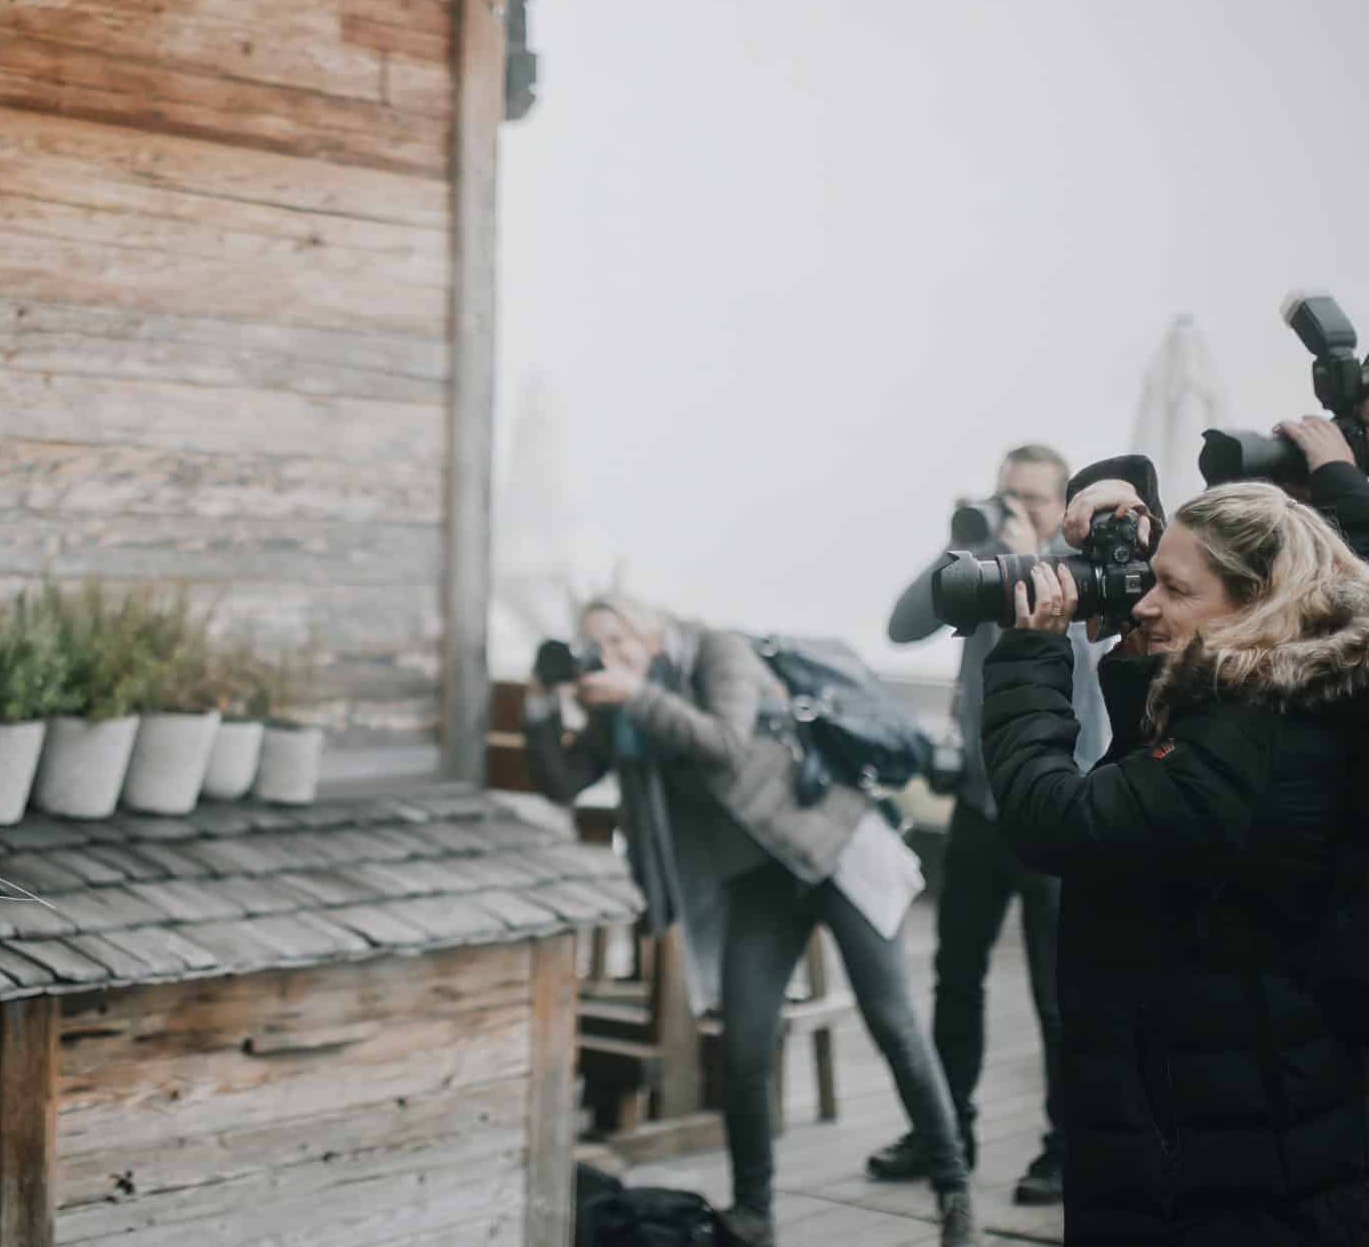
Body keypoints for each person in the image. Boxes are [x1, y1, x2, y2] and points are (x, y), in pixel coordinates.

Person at [526, 594, 981, 1247]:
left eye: (619, 640)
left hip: (834, 844)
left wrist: (634, 695)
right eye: (597, 647)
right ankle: (753, 1211)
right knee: (743, 1045)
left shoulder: (718, 651)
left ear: (650, 632)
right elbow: (562, 781)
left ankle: (955, 1193)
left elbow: (725, 742)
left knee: (893, 1024)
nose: (611, 656)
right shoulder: (618, 711)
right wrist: (543, 701)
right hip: (761, 877)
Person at [984, 479, 1369, 1245]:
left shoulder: (1250, 738)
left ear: (1257, 601)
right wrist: (1146, 660)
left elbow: (1057, 820)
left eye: (1173, 588)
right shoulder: (1284, 698)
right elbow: (1156, 790)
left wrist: (1031, 654)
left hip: (1223, 1161)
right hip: (1235, 1118)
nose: (1145, 604)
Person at [869, 444, 1107, 1203]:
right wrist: (960, 548)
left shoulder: (1082, 572)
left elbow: (1084, 673)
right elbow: (903, 626)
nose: (1015, 509)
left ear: (1062, 505)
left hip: (1058, 808)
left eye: (1032, 498)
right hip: (980, 807)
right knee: (956, 980)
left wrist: (1035, 560)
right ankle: (948, 1133)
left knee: (1060, 995)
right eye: (1008, 495)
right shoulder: (984, 569)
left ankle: (1067, 1150)